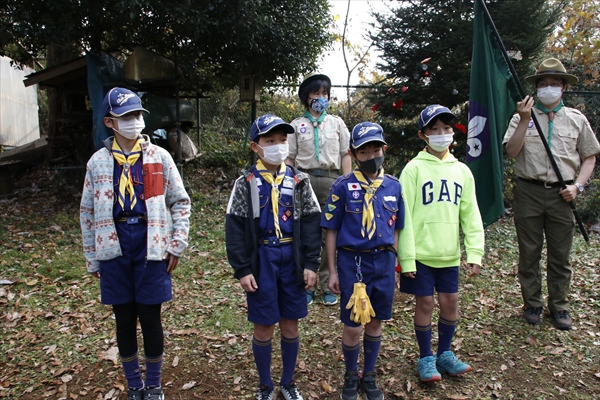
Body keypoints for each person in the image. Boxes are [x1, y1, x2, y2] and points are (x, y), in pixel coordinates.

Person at [80, 87, 191, 400]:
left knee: (150, 317)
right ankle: (134, 385)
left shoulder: (159, 156)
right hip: (113, 245)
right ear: (110, 122)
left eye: (138, 114)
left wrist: (176, 243)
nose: (135, 121)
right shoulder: (98, 163)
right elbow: (87, 212)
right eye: (126, 116)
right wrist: (93, 257)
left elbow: (179, 202)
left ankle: (154, 384)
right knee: (124, 319)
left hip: (151, 244)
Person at [225, 114, 322, 400]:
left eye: (282, 140)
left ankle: (288, 382)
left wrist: (311, 264)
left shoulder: (300, 180)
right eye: (270, 141)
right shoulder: (246, 182)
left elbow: (312, 223)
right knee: (264, 323)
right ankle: (265, 385)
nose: (278, 146)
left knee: (291, 322)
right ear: (256, 146)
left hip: (291, 257)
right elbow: (235, 228)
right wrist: (242, 269)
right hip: (262, 259)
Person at [503, 58, 600, 330]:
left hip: (562, 195)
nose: (549, 88)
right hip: (528, 191)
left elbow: (590, 157)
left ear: (563, 88)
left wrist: (577, 186)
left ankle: (560, 306)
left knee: (560, 255)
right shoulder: (521, 117)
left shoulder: (577, 120)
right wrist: (524, 120)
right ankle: (532, 303)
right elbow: (511, 151)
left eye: (554, 84)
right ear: (536, 88)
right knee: (529, 252)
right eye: (543, 84)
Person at [322, 122, 415, 400]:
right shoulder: (342, 186)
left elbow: (397, 228)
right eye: (364, 152)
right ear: (353, 154)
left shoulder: (394, 187)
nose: (372, 156)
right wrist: (333, 270)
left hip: (384, 262)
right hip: (353, 263)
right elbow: (331, 231)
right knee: (353, 325)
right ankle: (351, 374)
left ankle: (369, 373)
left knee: (375, 322)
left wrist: (396, 266)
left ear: (384, 149)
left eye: (376, 149)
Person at [399, 105, 484, 383]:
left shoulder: (462, 171)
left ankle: (445, 354)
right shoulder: (413, 170)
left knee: (450, 302)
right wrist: (406, 258)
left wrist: (474, 252)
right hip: (421, 255)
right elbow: (404, 217)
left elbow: (471, 214)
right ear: (423, 135)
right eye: (434, 130)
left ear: (453, 133)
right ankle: (425, 358)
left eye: (446, 129)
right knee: (424, 304)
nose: (441, 134)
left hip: (448, 254)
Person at [286, 72, 352, 306]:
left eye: (324, 93)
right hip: (303, 182)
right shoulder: (295, 125)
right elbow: (290, 159)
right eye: (316, 93)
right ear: (306, 97)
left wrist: (346, 183)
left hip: (331, 181)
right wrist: (289, 183)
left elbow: (345, 154)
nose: (320, 98)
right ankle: (307, 284)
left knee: (329, 233)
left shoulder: (336, 123)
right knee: (306, 232)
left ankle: (328, 284)